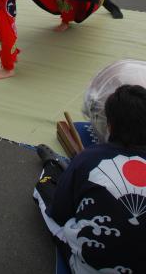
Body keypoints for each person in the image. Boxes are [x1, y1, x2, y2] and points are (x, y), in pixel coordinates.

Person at [34, 84, 146, 273]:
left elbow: (60, 213)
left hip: (91, 266)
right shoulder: (87, 158)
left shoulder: (88, 158)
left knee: (44, 191)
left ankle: (51, 166)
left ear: (109, 125)